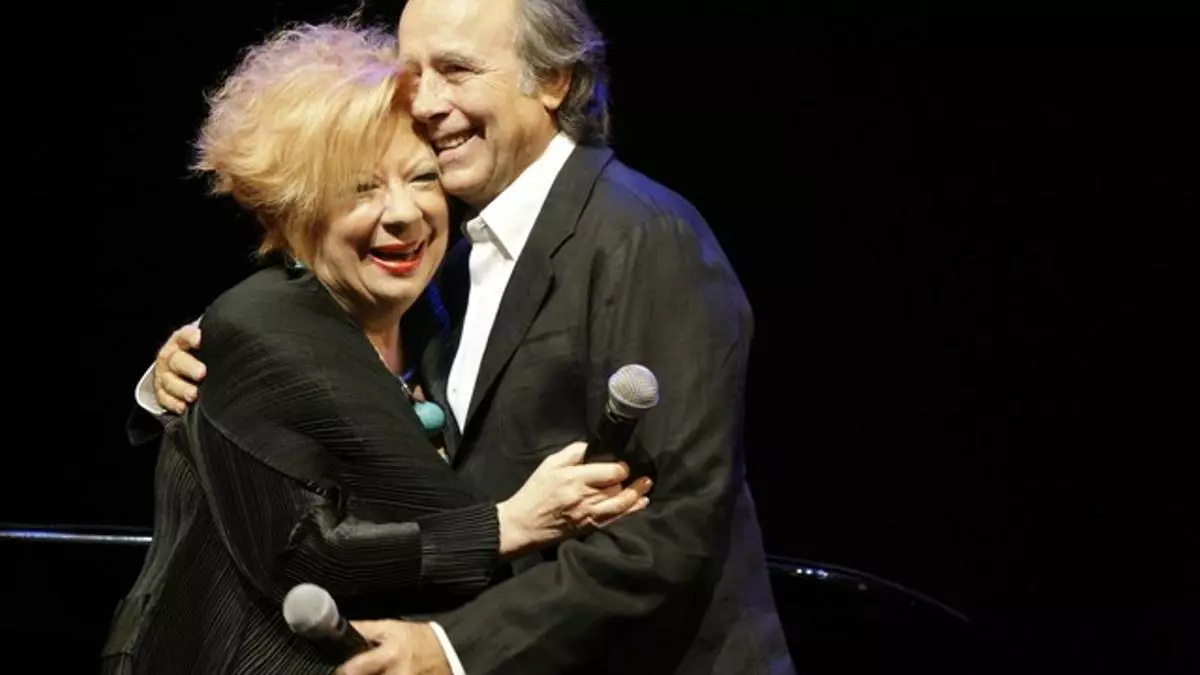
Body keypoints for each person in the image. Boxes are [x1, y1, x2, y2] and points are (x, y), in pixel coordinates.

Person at [144, 0, 796, 673]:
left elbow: (672, 524)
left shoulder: (642, 235)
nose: (426, 103)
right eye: (413, 74)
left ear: (554, 81)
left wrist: (453, 648)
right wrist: (193, 372)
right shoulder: (449, 265)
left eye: (455, 70)